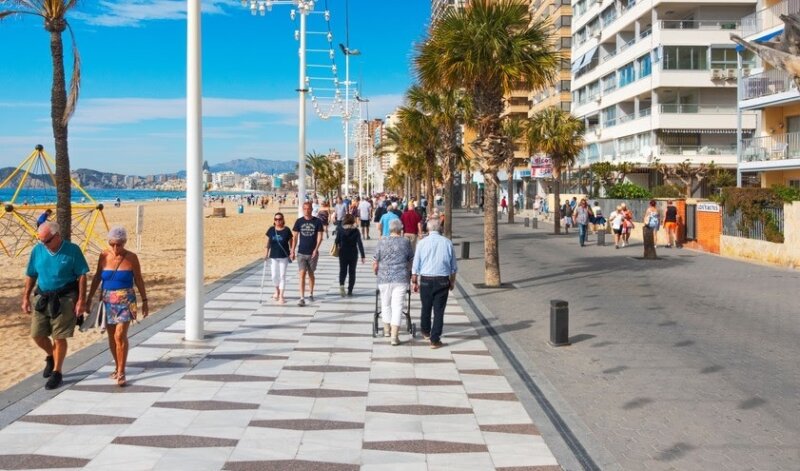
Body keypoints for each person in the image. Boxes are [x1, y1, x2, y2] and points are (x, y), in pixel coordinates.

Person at [22, 221, 89, 390]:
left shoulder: (72, 251)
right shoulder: (37, 250)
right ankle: (51, 356)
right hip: (42, 298)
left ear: (57, 236)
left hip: (65, 299)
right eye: (41, 241)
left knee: (59, 337)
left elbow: (82, 275)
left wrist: (81, 300)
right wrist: (25, 297)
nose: (44, 244)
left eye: (47, 241)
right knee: (37, 335)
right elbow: (31, 275)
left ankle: (57, 372)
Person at [87, 226, 148, 387]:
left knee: (120, 336)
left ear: (125, 242)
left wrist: (145, 301)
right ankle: (117, 365)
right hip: (107, 300)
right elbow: (97, 278)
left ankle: (121, 371)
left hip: (126, 300)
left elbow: (139, 280)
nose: (115, 248)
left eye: (119, 244)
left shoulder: (132, 258)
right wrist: (89, 299)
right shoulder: (103, 256)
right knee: (111, 336)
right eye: (112, 244)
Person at [411, 218, 457, 349]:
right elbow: (453, 266)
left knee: (426, 307)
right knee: (439, 310)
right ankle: (435, 339)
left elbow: (416, 263)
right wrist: (452, 281)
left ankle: (426, 331)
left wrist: (414, 279)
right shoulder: (447, 243)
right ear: (440, 229)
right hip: (442, 280)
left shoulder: (422, 243)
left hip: (426, 279)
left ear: (428, 229)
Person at [291, 201, 323, 306]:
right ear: (302, 209)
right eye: (304, 208)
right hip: (301, 252)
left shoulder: (317, 222)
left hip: (312, 253)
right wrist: (292, 250)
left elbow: (320, 237)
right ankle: (301, 297)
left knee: (311, 274)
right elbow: (295, 237)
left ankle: (311, 293)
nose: (306, 210)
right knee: (302, 274)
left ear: (311, 209)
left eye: (308, 208)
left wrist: (316, 249)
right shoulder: (299, 221)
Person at [334, 214, 365, 297]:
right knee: (352, 272)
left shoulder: (340, 229)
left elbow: (336, 241)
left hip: (343, 253)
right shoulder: (356, 230)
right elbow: (359, 243)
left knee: (342, 270)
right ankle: (350, 290)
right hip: (353, 253)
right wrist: (363, 255)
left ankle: (341, 285)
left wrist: (339, 244)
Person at [265, 212, 292, 304]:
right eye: (276, 219)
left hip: (284, 256)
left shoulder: (287, 230)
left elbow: (291, 241)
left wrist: (292, 252)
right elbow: (268, 243)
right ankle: (277, 290)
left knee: (282, 276)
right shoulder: (271, 230)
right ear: (274, 220)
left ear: (283, 220)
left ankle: (281, 296)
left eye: (280, 219)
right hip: (273, 256)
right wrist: (266, 254)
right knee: (273, 276)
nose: (278, 221)